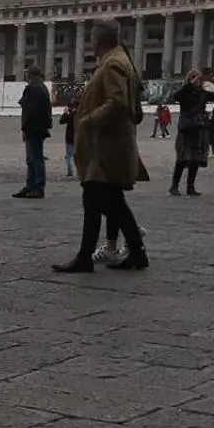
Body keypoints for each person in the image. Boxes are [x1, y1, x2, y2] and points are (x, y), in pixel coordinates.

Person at [52, 20, 148, 273]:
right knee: (104, 200)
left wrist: (88, 120)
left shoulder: (113, 63)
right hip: (107, 145)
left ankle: (118, 253)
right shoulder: (116, 59)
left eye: (91, 39)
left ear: (98, 41)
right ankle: (129, 252)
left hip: (106, 146)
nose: (90, 44)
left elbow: (116, 102)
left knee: (102, 199)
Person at [168, 68, 214, 196]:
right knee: (182, 159)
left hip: (199, 127)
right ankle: (174, 186)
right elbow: (175, 97)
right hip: (186, 128)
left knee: (195, 159)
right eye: (193, 77)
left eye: (197, 77)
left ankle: (190, 187)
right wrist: (189, 84)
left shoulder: (203, 93)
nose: (196, 80)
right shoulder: (184, 93)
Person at [14, 67, 52, 198]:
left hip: (34, 128)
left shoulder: (36, 89)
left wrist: (26, 128)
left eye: (28, 76)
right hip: (33, 128)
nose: (27, 78)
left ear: (33, 76)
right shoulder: (39, 88)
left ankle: (38, 186)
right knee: (31, 159)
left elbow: (31, 110)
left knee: (36, 158)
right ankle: (30, 185)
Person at [59, 100, 78, 180]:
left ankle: (70, 173)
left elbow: (61, 121)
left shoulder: (69, 114)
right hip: (78, 136)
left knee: (69, 156)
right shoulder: (80, 113)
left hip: (70, 137)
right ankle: (79, 172)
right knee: (77, 156)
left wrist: (65, 113)